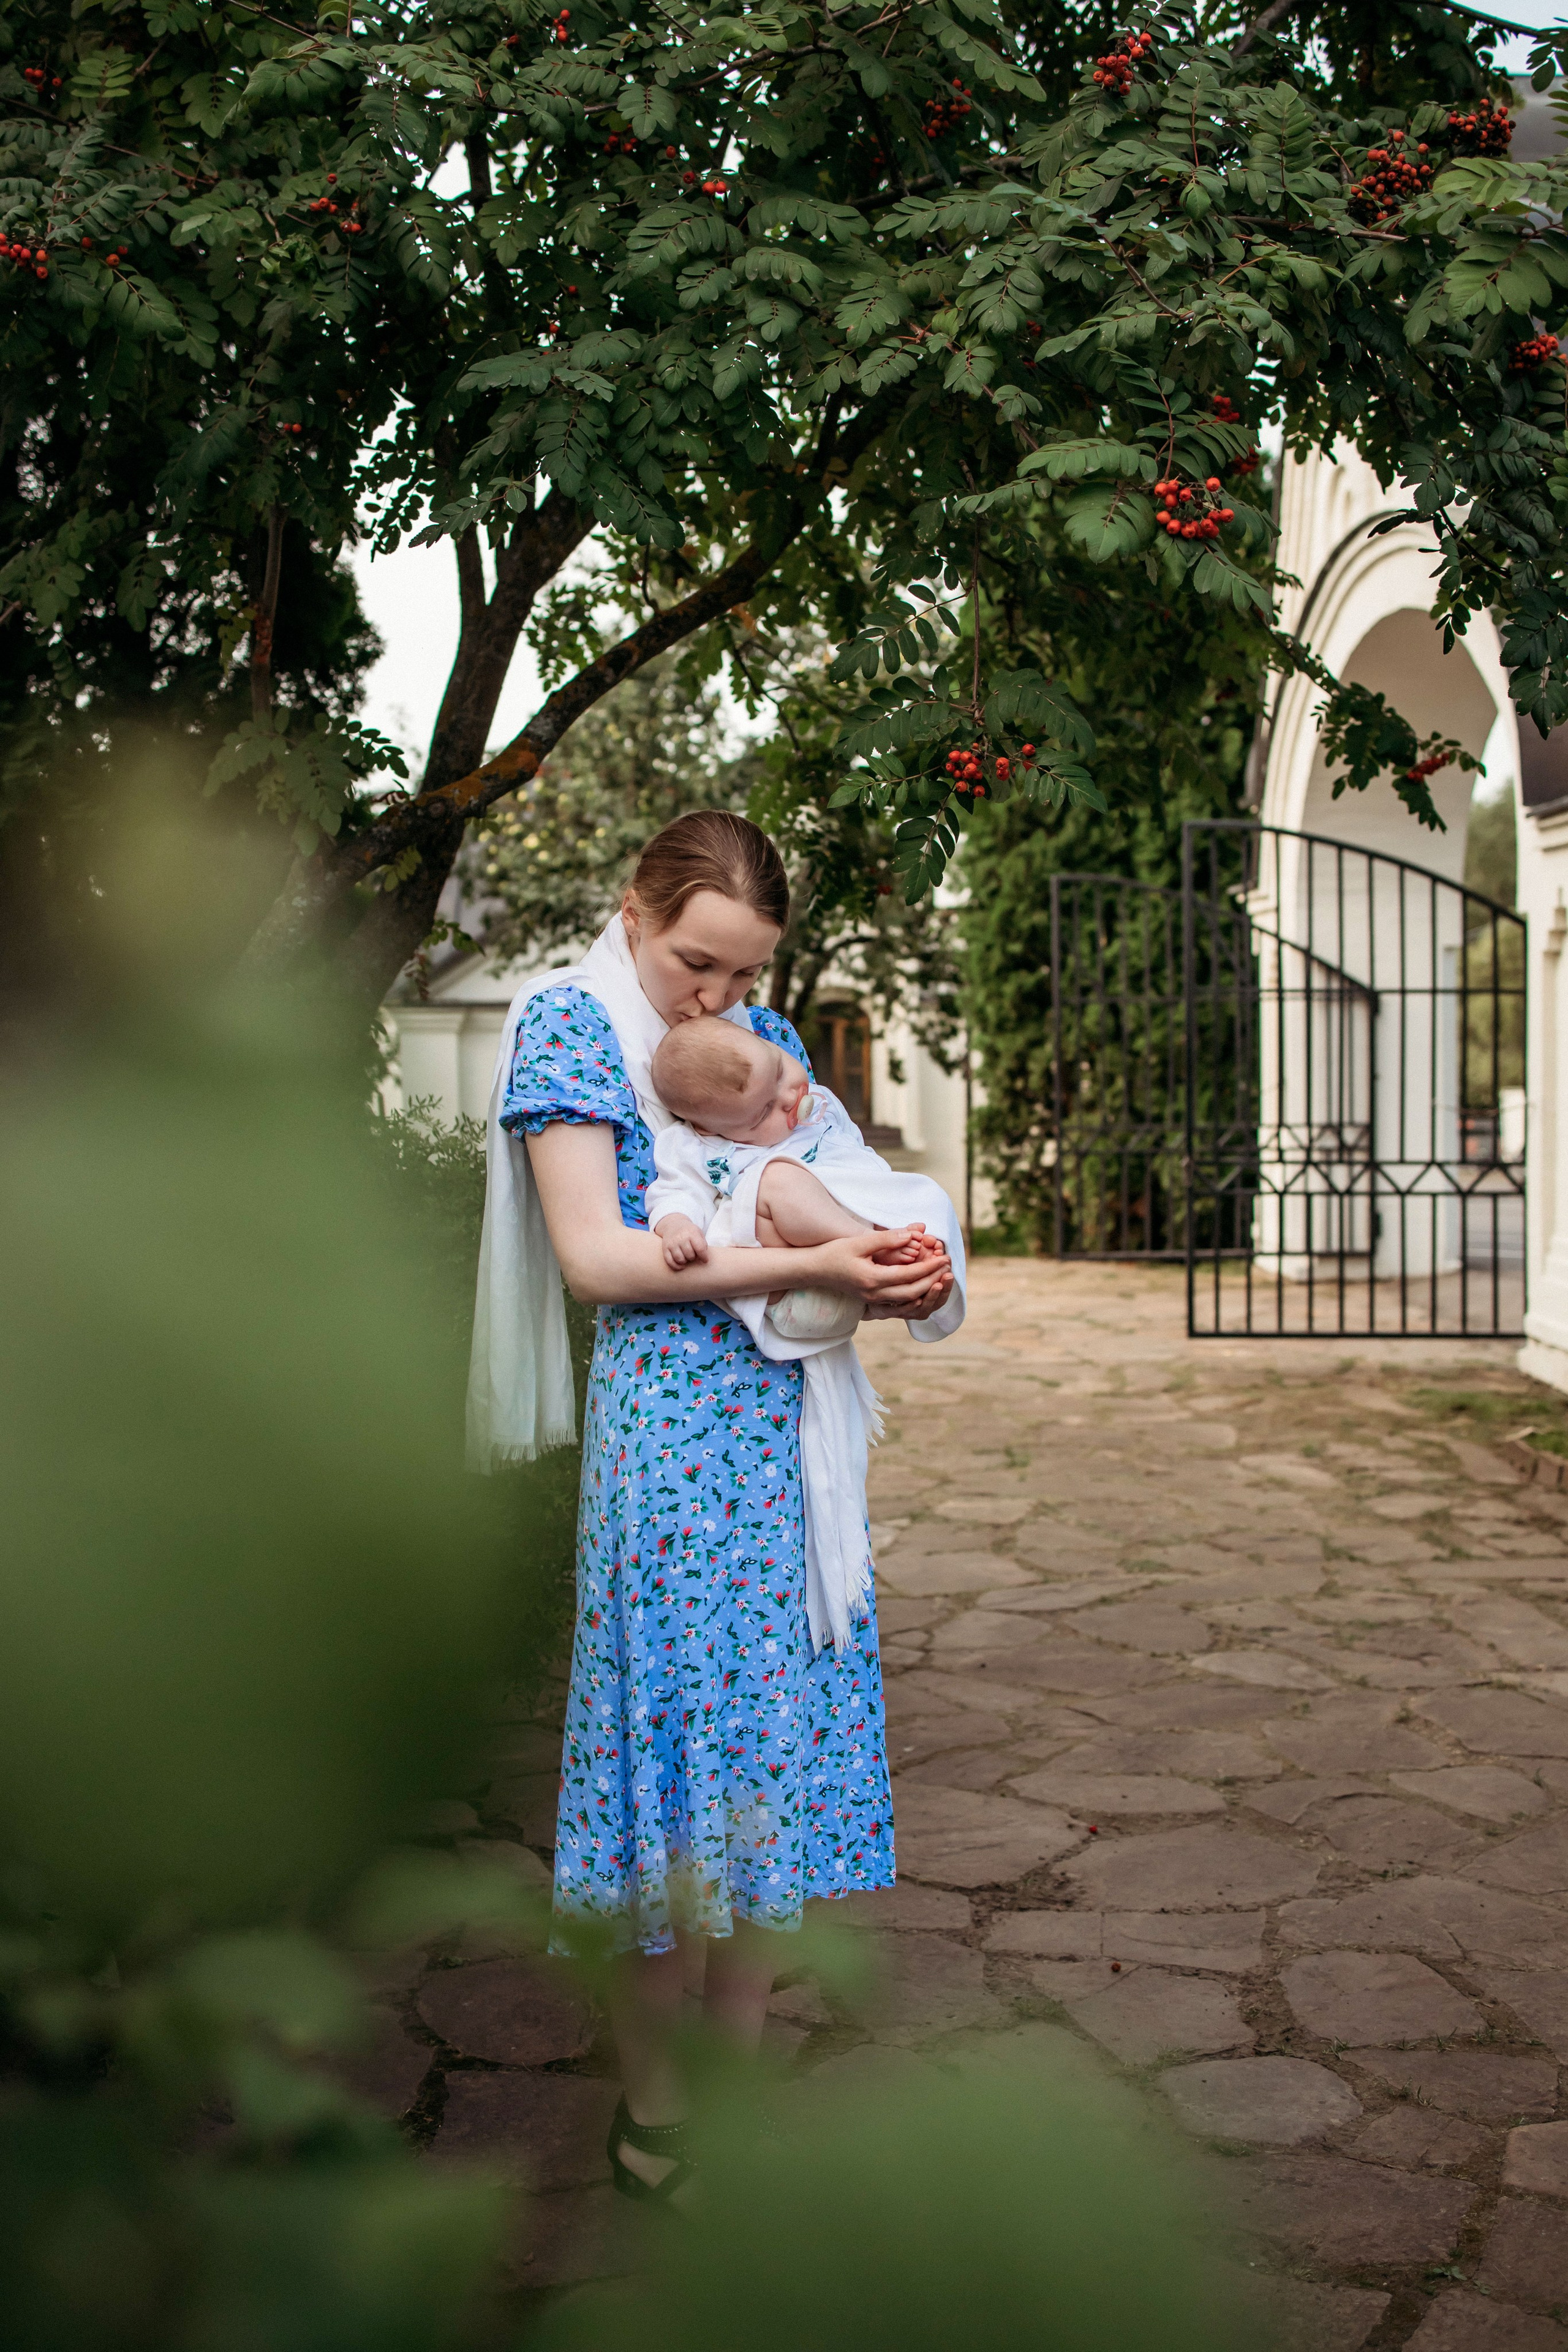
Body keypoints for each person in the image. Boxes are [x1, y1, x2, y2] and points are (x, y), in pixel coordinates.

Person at [466, 811, 956, 2205]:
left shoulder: (765, 1042)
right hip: (671, 1454)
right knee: (669, 1776)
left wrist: (905, 1262)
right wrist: (811, 1264)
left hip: (789, 1446)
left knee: (770, 1770)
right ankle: (656, 2102)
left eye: (742, 978)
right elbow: (597, 1259)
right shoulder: (568, 1028)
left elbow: (851, 1193)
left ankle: (734, 2074)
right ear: (632, 908)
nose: (716, 1003)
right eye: (696, 965)